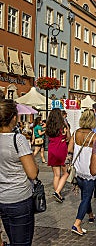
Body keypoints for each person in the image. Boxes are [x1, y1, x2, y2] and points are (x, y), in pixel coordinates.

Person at [0, 99, 38, 245]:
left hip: (2, 197)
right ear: (14, 117)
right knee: (22, 242)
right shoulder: (18, 139)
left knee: (11, 237)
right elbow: (32, 173)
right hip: (19, 198)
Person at [67, 110, 96, 235]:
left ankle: (90, 215)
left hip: (78, 171)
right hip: (89, 172)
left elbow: (69, 151)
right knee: (86, 197)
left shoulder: (75, 134)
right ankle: (77, 224)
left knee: (85, 195)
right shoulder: (95, 137)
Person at [46, 108, 71, 203]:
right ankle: (57, 192)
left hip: (51, 149)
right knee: (66, 172)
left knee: (56, 175)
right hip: (61, 148)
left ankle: (58, 194)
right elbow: (68, 137)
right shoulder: (63, 125)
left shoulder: (49, 126)